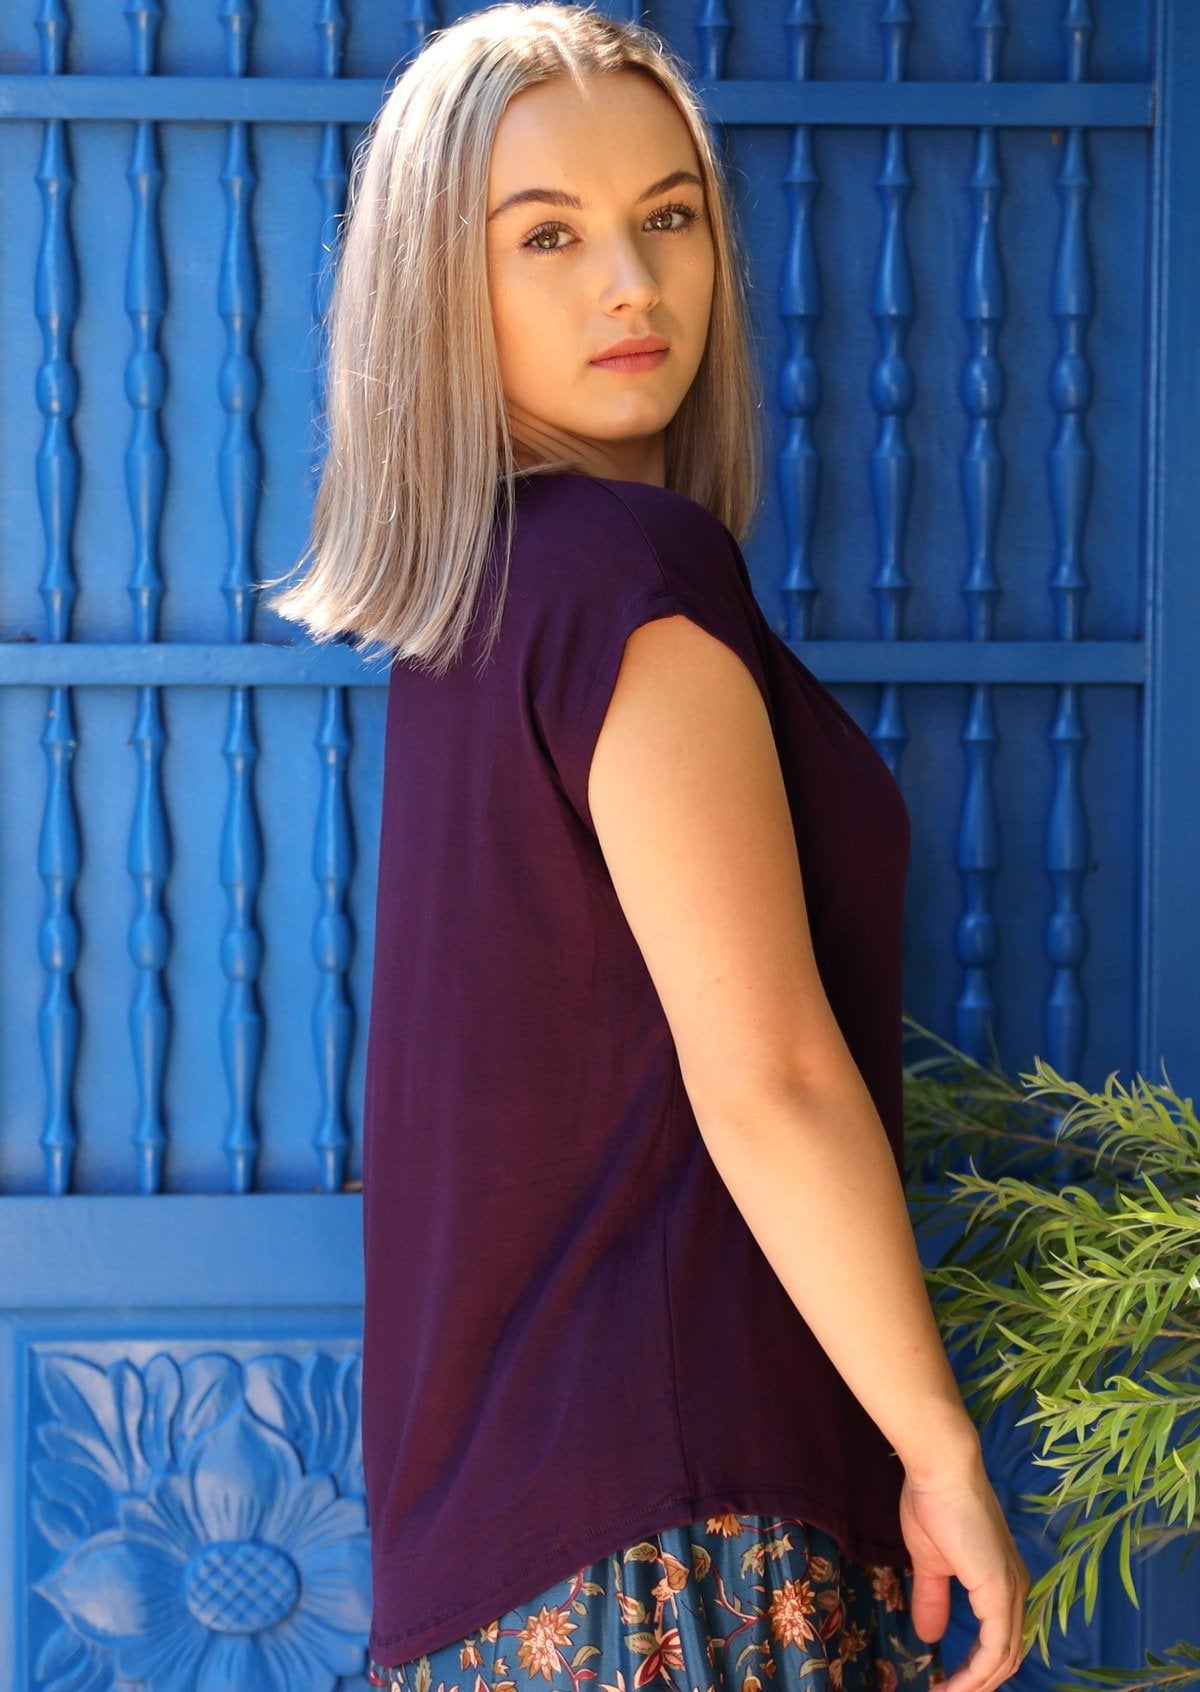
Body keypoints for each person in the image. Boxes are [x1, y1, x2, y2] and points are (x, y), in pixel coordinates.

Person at [262, 5, 1031, 1691]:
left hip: (498, 1570)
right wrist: (939, 1446)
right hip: (674, 1544)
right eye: (546, 236)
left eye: (668, 216)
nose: (635, 283)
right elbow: (764, 1070)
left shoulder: (480, 608)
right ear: (431, 291)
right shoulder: (627, 573)